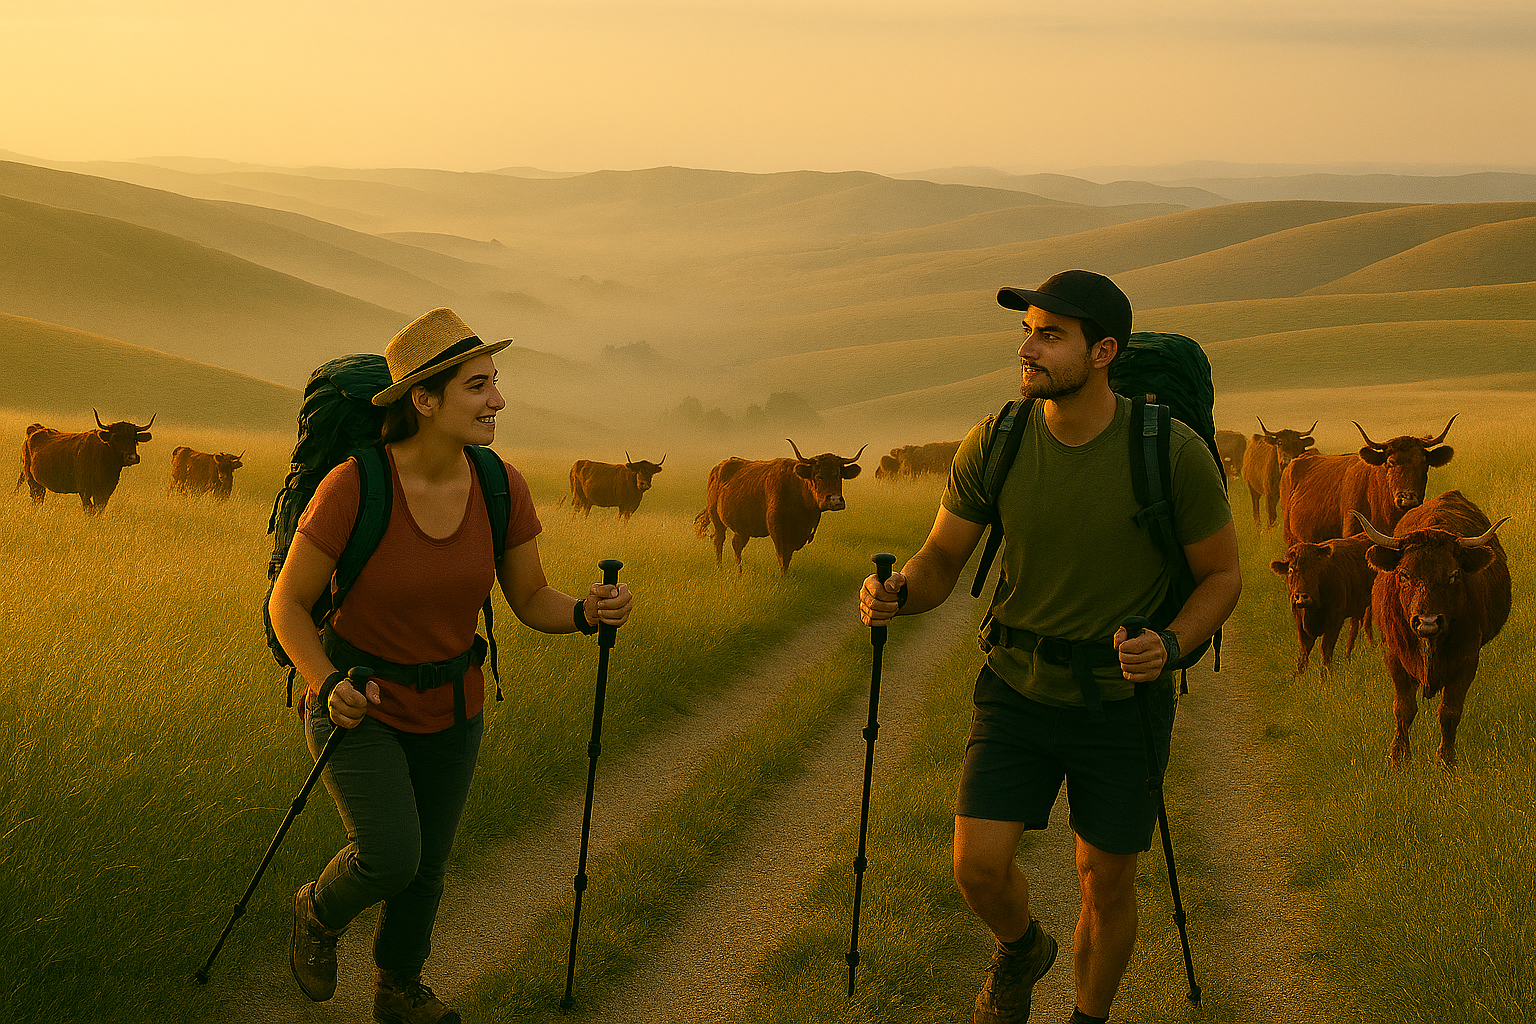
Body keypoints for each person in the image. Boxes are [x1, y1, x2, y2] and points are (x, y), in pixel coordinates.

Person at [859, 271, 1239, 1024]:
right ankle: (1022, 947)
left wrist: (1171, 644)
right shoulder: (996, 439)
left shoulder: (1171, 451)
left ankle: (1085, 1020)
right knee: (977, 867)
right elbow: (941, 560)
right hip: (1016, 684)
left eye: (1049, 335)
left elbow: (1222, 575)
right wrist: (898, 590)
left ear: (1103, 352)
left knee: (1104, 879)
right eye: (1027, 331)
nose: (1028, 348)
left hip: (1121, 700)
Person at [268, 307, 633, 1024]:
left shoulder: (500, 485)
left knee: (429, 866)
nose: (498, 399)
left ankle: (397, 988)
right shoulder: (354, 486)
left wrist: (587, 612)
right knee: (391, 856)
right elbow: (289, 605)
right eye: (478, 386)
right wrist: (326, 682)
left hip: (455, 705)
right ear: (425, 400)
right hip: (358, 701)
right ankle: (316, 909)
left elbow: (529, 596)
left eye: (495, 382)